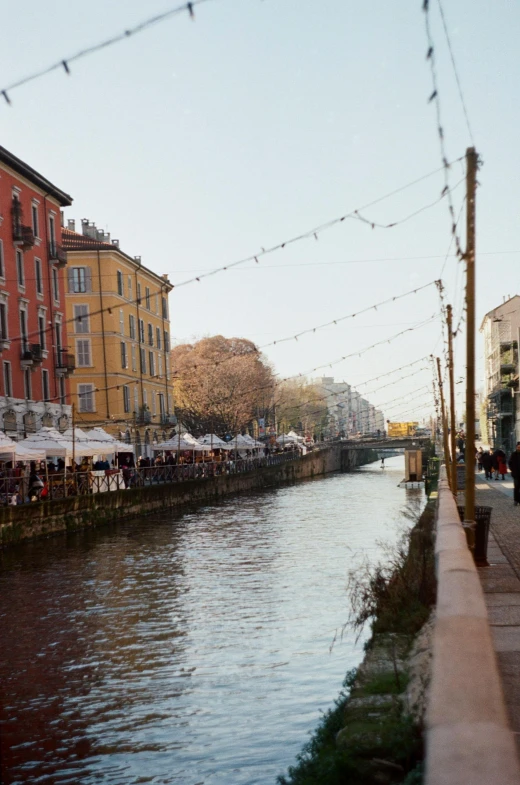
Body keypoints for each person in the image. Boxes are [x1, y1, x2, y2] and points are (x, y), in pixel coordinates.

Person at [508, 442, 520, 507]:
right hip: (516, 475)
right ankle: (516, 500)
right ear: (516, 447)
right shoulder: (513, 454)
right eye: (518, 447)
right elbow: (509, 463)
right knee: (516, 488)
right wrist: (512, 470)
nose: (519, 448)